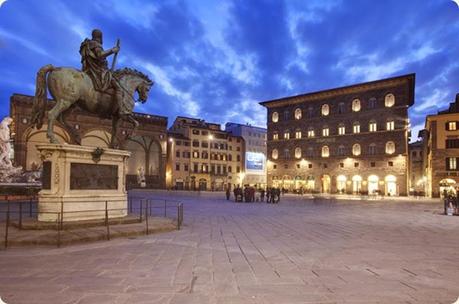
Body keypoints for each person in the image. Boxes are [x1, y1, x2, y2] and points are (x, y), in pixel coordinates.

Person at [79, 29, 126, 117]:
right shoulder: (96, 44)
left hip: (89, 69)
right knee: (119, 87)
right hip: (99, 70)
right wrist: (113, 50)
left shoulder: (87, 44)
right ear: (100, 36)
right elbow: (100, 55)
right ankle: (121, 110)